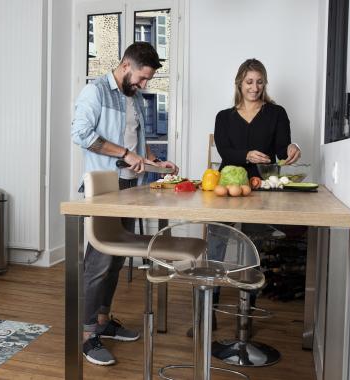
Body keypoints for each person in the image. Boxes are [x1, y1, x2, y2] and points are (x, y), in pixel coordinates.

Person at [71, 41, 178, 366]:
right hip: (104, 188)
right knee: (98, 263)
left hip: (131, 186)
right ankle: (88, 335)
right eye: (142, 78)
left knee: (117, 261)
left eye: (147, 81)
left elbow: (135, 146)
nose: (144, 85)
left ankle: (104, 321)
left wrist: (156, 162)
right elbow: (80, 134)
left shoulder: (133, 98)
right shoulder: (96, 92)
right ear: (126, 65)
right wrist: (125, 154)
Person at [187, 58, 301, 337]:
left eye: (260, 81)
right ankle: (207, 312)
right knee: (215, 249)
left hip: (260, 186)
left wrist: (293, 146)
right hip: (227, 186)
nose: (255, 87)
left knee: (253, 251)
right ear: (239, 82)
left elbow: (282, 149)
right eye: (249, 81)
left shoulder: (276, 113)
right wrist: (246, 154)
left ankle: (245, 314)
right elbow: (225, 152)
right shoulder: (224, 116)